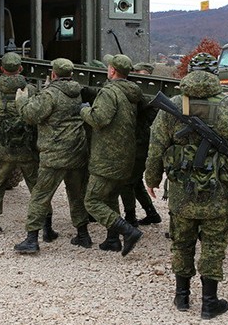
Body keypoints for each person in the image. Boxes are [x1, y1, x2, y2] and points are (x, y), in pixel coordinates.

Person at [145, 52, 228, 319]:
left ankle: (181, 297)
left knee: (181, 242)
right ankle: (210, 302)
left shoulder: (175, 105)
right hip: (218, 192)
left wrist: (151, 178)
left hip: (181, 191)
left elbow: (157, 146)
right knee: (214, 244)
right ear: (215, 74)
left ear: (190, 72)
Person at [12, 58, 91, 254]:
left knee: (40, 195)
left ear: (53, 74)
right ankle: (83, 235)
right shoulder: (77, 92)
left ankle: (31, 239)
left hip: (55, 154)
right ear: (71, 74)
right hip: (77, 151)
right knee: (76, 194)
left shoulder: (50, 94)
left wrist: (21, 100)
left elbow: (31, 115)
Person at [80, 54, 144, 256]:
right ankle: (112, 239)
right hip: (125, 156)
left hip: (107, 158)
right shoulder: (132, 92)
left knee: (92, 201)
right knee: (110, 197)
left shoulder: (109, 92)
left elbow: (99, 119)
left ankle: (127, 231)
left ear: (112, 71)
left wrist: (84, 110)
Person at [0, 52, 44, 238]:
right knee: (36, 187)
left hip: (3, 149)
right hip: (26, 148)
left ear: (1, 69)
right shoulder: (31, 90)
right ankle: (46, 227)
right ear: (21, 68)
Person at [117, 63, 162, 226]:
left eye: (139, 73)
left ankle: (130, 217)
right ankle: (152, 213)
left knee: (127, 181)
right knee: (135, 181)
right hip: (137, 141)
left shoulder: (149, 95)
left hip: (140, 143)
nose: (136, 76)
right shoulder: (145, 92)